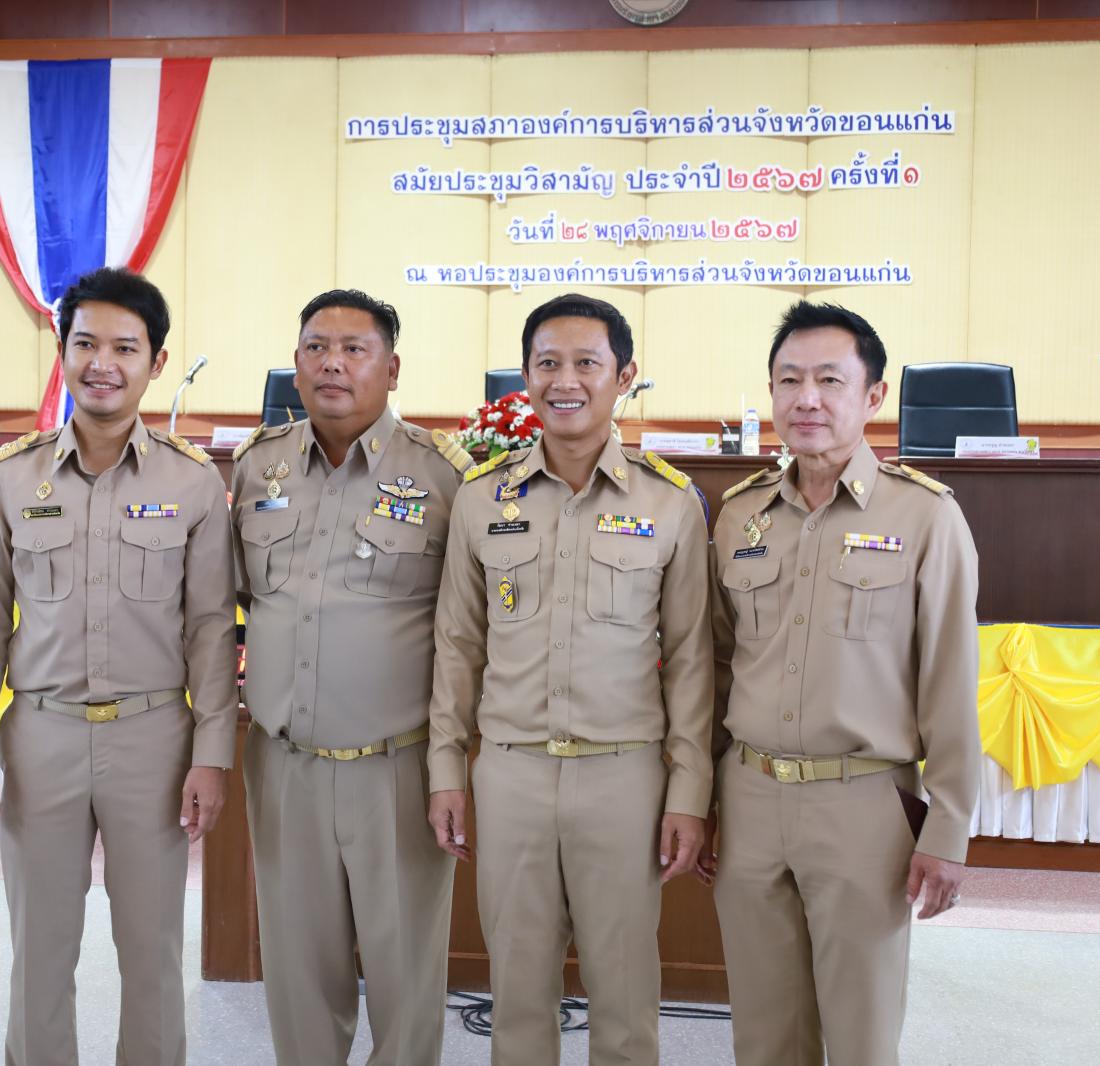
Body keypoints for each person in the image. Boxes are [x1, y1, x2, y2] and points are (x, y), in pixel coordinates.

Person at [0, 267, 235, 1066]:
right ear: (63, 350)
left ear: (156, 360)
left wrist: (212, 754)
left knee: (152, 950)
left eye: (124, 347)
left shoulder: (191, 481)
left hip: (154, 739)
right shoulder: (12, 476)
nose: (102, 363)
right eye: (85, 344)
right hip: (41, 736)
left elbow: (212, 630)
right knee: (40, 949)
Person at [427, 293, 713, 1065]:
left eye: (587, 362)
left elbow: (692, 659)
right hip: (511, 774)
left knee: (624, 997)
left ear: (624, 375)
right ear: (525, 375)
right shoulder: (482, 498)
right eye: (547, 362)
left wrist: (688, 791)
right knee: (517, 994)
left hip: (624, 778)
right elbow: (457, 645)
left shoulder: (669, 501)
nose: (565, 380)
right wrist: (446, 770)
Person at [700, 301, 981, 1066]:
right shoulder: (739, 515)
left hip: (862, 807)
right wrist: (701, 798)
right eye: (788, 380)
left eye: (829, 380)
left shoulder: (924, 517)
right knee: (763, 1035)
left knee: (861, 1036)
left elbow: (950, 682)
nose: (806, 399)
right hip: (749, 800)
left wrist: (947, 830)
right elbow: (715, 669)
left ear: (872, 395)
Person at [231, 289, 472, 1064]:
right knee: (297, 975)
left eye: (353, 349)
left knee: (405, 978)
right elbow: (233, 607)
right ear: (295, 363)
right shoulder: (256, 467)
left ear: (391, 369)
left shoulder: (444, 477)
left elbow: (466, 635)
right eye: (316, 347)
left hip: (396, 769)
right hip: (283, 764)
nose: (331, 363)